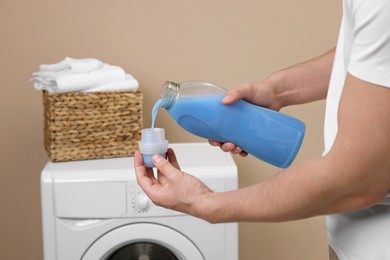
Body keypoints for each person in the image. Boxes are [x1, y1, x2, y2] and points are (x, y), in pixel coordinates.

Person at [134, 0, 390, 259]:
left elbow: (356, 181)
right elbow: (362, 54)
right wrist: (277, 91)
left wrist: (207, 203)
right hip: (350, 234)